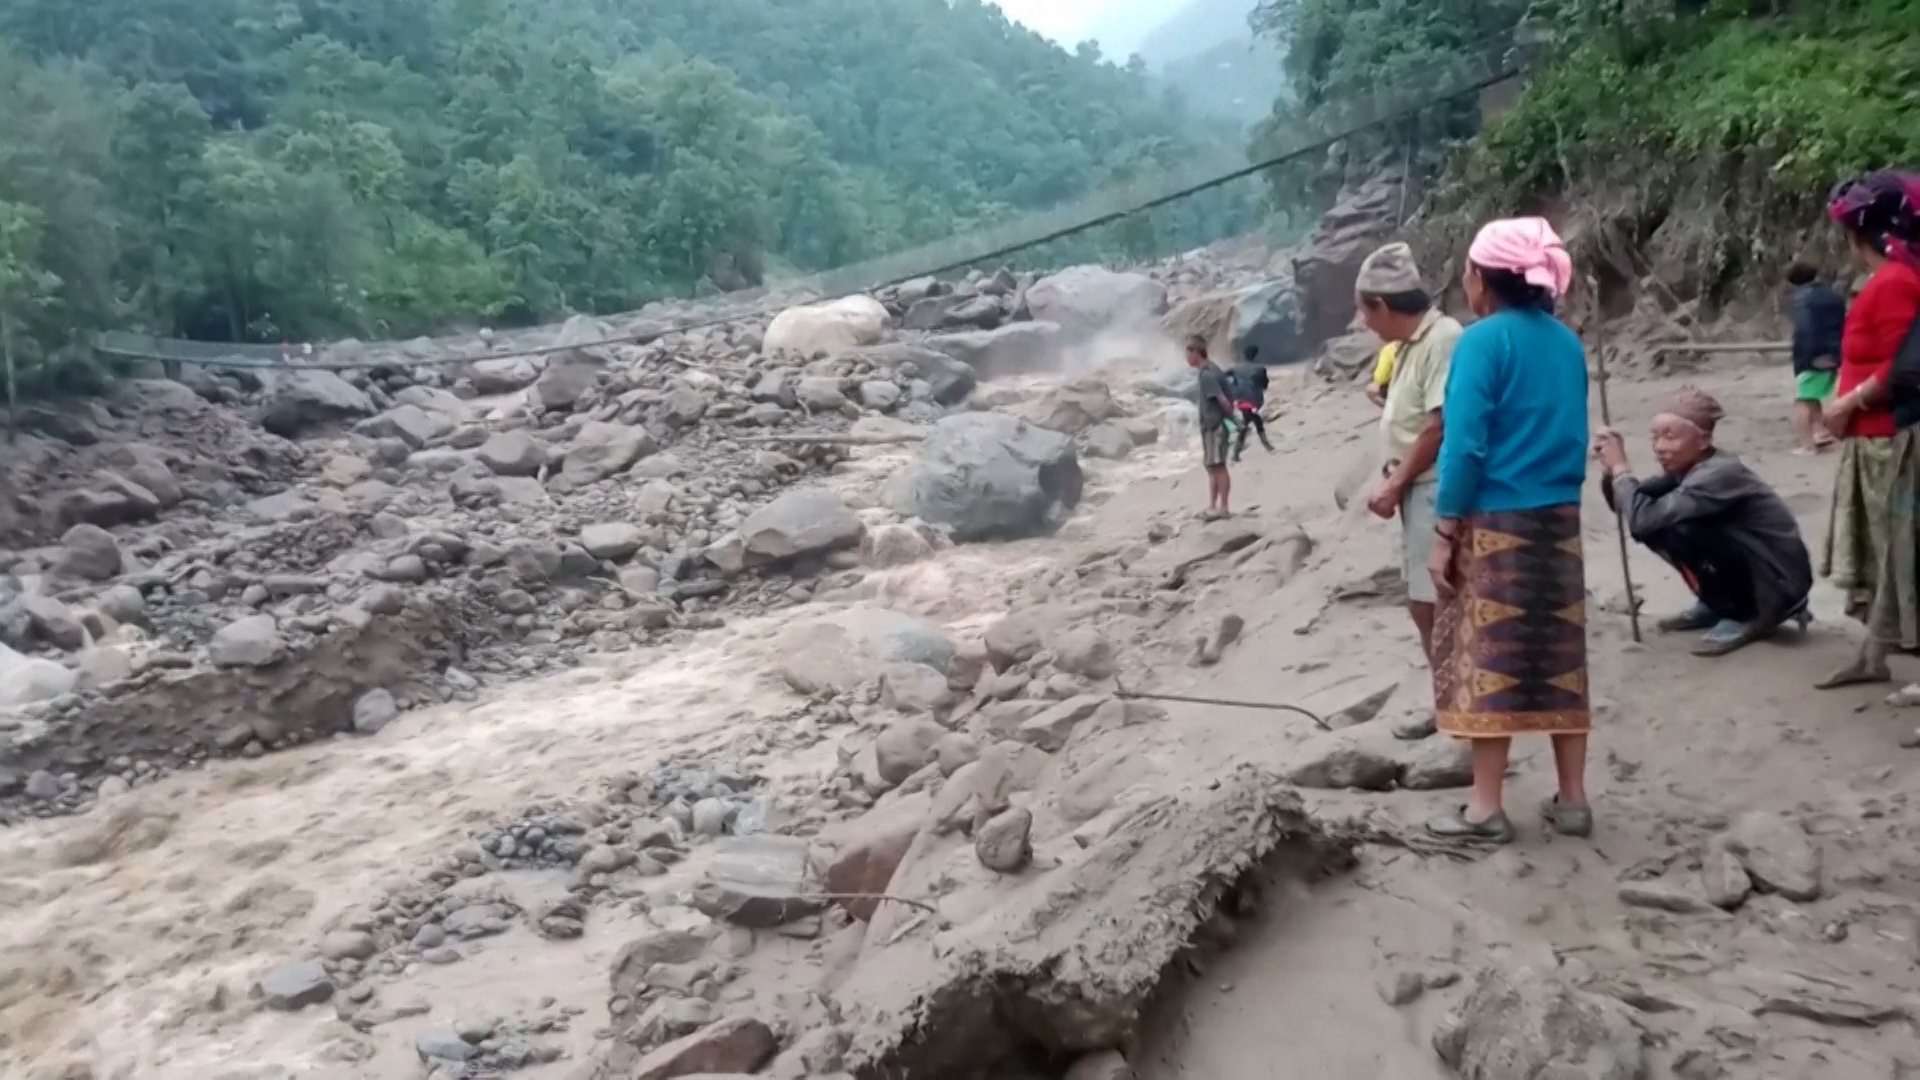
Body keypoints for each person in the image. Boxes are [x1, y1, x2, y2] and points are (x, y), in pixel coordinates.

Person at [1424, 217, 1591, 845]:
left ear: (1483, 280)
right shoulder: (1566, 343)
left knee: (1486, 659)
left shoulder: (1481, 342)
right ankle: (1573, 801)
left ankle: (1485, 809)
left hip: (1496, 520)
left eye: (1467, 272)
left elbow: (1464, 446)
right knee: (1560, 658)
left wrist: (1445, 529)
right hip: (1559, 520)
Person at [1594, 387, 1814, 657]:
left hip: (1779, 579)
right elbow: (1628, 505)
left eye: (1670, 437)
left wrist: (1622, 469)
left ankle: (1746, 612)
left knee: (1678, 526)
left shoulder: (1719, 473)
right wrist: (1610, 472)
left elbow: (1643, 520)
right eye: (1655, 437)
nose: (1659, 447)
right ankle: (1717, 602)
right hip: (1757, 567)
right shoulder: (1686, 470)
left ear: (1704, 439)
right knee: (1667, 523)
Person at [1355, 241, 1465, 741]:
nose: (1363, 323)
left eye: (1363, 310)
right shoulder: (1409, 345)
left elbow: (1439, 426)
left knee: (1439, 604)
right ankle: (1447, 700)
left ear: (1381, 305)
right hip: (1413, 487)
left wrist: (1395, 481)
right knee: (1423, 604)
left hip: (1432, 487)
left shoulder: (1442, 339)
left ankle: (1459, 712)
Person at [1818, 170, 1920, 689]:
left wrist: (1845, 404)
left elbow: (1904, 366)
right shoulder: (1887, 282)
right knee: (1881, 555)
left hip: (1889, 441)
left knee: (1900, 554)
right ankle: (1873, 654)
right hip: (1869, 437)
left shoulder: (1898, 283)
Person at [1787, 261, 1846, 455]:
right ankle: (1820, 432)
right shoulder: (1833, 295)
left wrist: (1804, 358)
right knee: (1812, 395)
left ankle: (1807, 446)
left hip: (1812, 354)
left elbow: (1805, 329)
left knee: (1802, 399)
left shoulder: (1802, 299)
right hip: (1834, 351)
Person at [1187, 335, 1238, 519]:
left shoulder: (1208, 374)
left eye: (1188, 353)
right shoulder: (1212, 370)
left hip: (1214, 427)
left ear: (1195, 353)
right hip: (1213, 426)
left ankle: (1222, 507)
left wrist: (1229, 421)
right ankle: (1213, 506)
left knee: (1218, 466)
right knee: (1212, 466)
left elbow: (1223, 401)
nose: (1186, 359)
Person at [1226, 345, 1274, 461]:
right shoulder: (1260, 369)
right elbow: (1265, 385)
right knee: (1252, 421)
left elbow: (1223, 377)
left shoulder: (1235, 368)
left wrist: (1232, 387)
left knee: (1251, 420)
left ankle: (1238, 452)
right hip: (1254, 400)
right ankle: (1266, 446)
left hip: (1240, 399)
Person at [1366, 341, 1400, 407]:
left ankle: (1391, 409)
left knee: (1372, 388)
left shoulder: (1390, 348)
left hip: (1404, 389)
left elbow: (1381, 378)